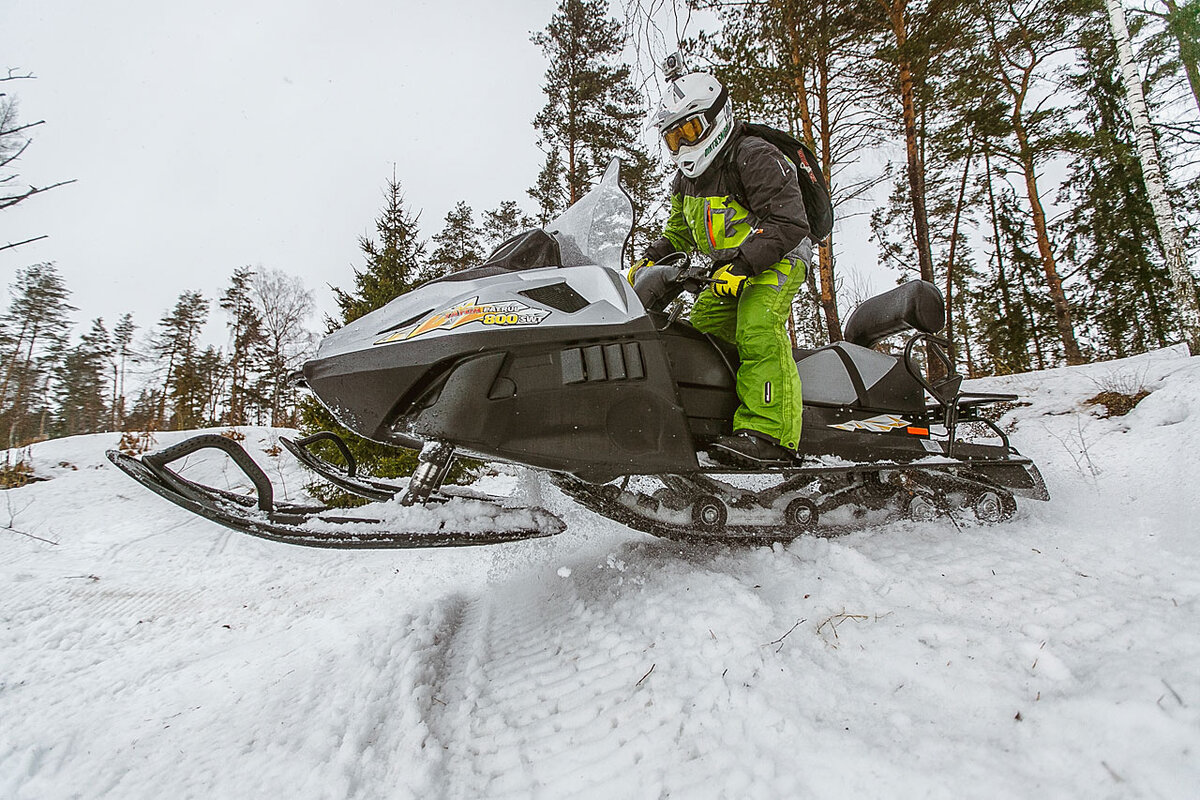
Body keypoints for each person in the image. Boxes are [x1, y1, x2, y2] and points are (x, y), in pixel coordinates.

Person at [632, 68, 812, 466]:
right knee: (700, 339)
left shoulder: (753, 155)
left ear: (718, 118)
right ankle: (712, 425)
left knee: (757, 325)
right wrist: (649, 258)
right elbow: (679, 234)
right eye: (673, 138)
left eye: (691, 131)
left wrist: (746, 264)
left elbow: (788, 219)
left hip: (777, 257)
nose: (683, 146)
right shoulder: (684, 182)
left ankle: (771, 435)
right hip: (729, 269)